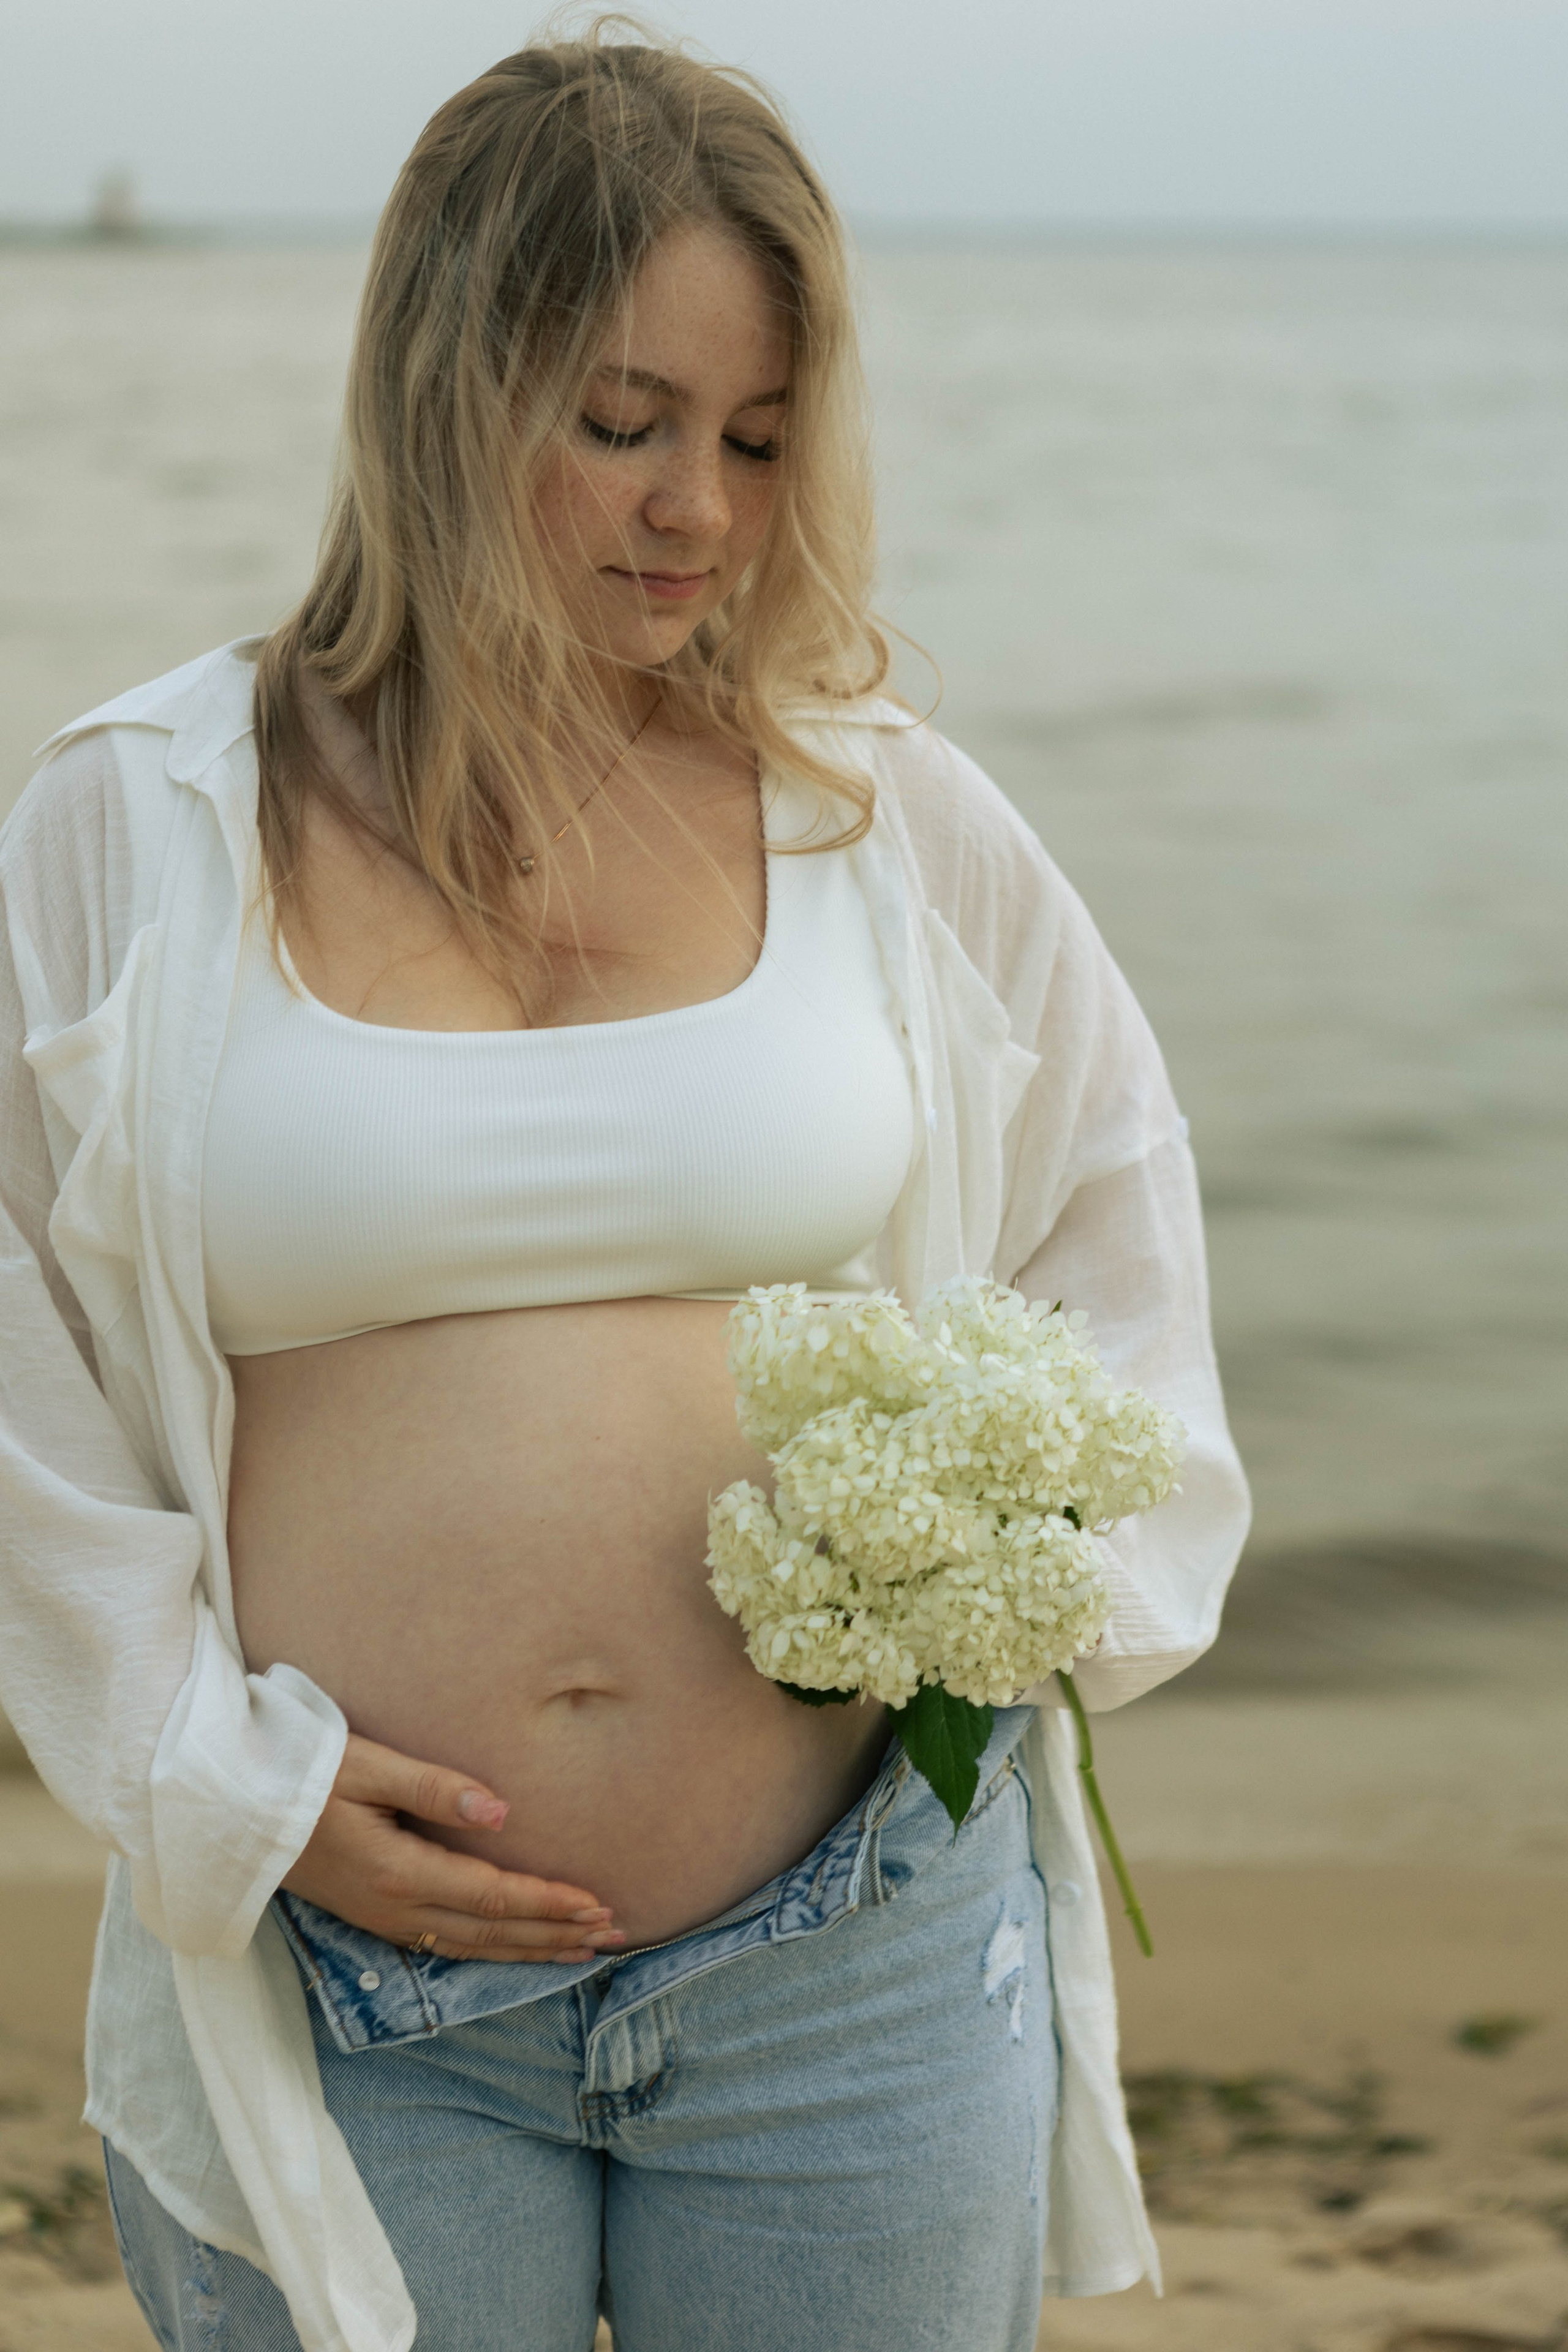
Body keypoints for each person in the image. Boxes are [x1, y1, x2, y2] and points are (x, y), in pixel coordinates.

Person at [0, 28, 1249, 2352]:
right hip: (344, 1981)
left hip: (854, 1958)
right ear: (441, 391)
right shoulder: (136, 824)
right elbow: (17, 1375)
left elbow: (1116, 1221)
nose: (706, 510)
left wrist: (1017, 1598)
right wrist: (205, 1780)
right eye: (627, 422)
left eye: (762, 440)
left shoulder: (883, 817)